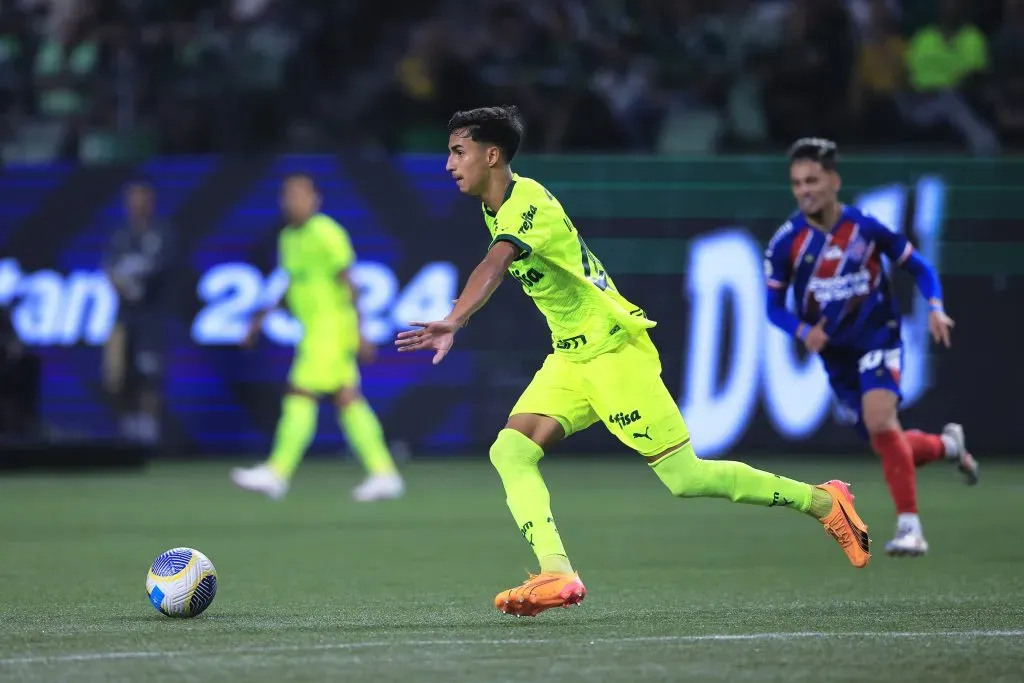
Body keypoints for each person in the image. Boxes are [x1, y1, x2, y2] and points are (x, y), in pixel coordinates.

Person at [395, 106, 871, 618]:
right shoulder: (495, 206)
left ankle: (824, 502)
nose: (449, 164)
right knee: (510, 452)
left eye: (458, 151)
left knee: (685, 479)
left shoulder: (526, 203)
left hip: (613, 352)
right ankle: (556, 571)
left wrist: (456, 318)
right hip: (571, 359)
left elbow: (495, 263)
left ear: (492, 156)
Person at [764, 137, 978, 557]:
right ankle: (949, 446)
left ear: (833, 181)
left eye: (812, 180)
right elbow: (773, 306)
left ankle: (910, 528)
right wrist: (803, 330)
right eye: (797, 183)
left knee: (881, 423)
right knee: (886, 439)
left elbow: (919, 267)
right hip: (836, 355)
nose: (804, 189)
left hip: (878, 337)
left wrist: (935, 306)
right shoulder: (787, 242)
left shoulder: (866, 227)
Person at [231, 174, 404, 502]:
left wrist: (361, 331)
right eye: (287, 195)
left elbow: (350, 283)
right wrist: (261, 317)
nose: (291, 202)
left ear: (315, 200)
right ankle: (384, 473)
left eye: (299, 195)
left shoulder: (327, 233)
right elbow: (293, 284)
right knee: (347, 400)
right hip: (316, 330)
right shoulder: (287, 238)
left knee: (300, 392)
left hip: (331, 329)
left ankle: (277, 472)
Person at [103, 181, 173, 445]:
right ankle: (128, 431)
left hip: (150, 317)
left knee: (149, 376)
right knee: (118, 376)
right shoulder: (120, 235)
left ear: (151, 203)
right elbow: (109, 269)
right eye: (132, 200)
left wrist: (135, 286)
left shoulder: (161, 234)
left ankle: (149, 432)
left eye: (141, 199)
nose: (136, 205)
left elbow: (161, 269)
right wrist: (123, 287)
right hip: (124, 317)